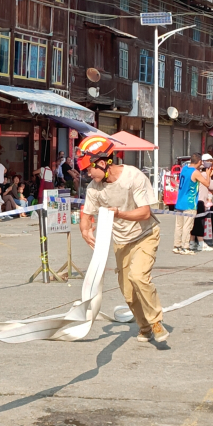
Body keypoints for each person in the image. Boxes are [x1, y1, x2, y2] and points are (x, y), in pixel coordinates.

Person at [77, 135, 169, 344]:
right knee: (128, 292)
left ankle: (156, 321)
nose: (87, 173)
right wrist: (85, 229)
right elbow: (87, 214)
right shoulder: (94, 188)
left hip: (145, 235)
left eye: (89, 168)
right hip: (121, 241)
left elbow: (145, 213)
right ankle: (144, 326)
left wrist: (118, 213)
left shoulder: (133, 177)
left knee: (138, 277)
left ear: (102, 162)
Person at [173, 154, 202, 255]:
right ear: (199, 161)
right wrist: (209, 173)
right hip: (190, 202)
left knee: (179, 225)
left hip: (180, 200)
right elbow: (206, 183)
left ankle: (177, 245)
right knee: (187, 226)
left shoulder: (184, 169)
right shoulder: (196, 172)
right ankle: (185, 246)